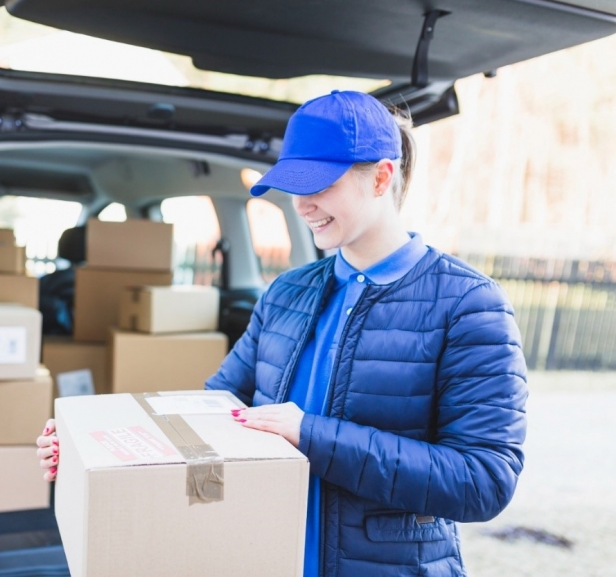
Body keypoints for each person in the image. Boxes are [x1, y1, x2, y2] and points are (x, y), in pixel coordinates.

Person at [37, 90, 528, 577]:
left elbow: (484, 480)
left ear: (381, 176)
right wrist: (92, 445)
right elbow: (212, 409)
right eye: (293, 187)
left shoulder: (468, 305)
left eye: (318, 186)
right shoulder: (286, 293)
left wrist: (311, 435)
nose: (302, 205)